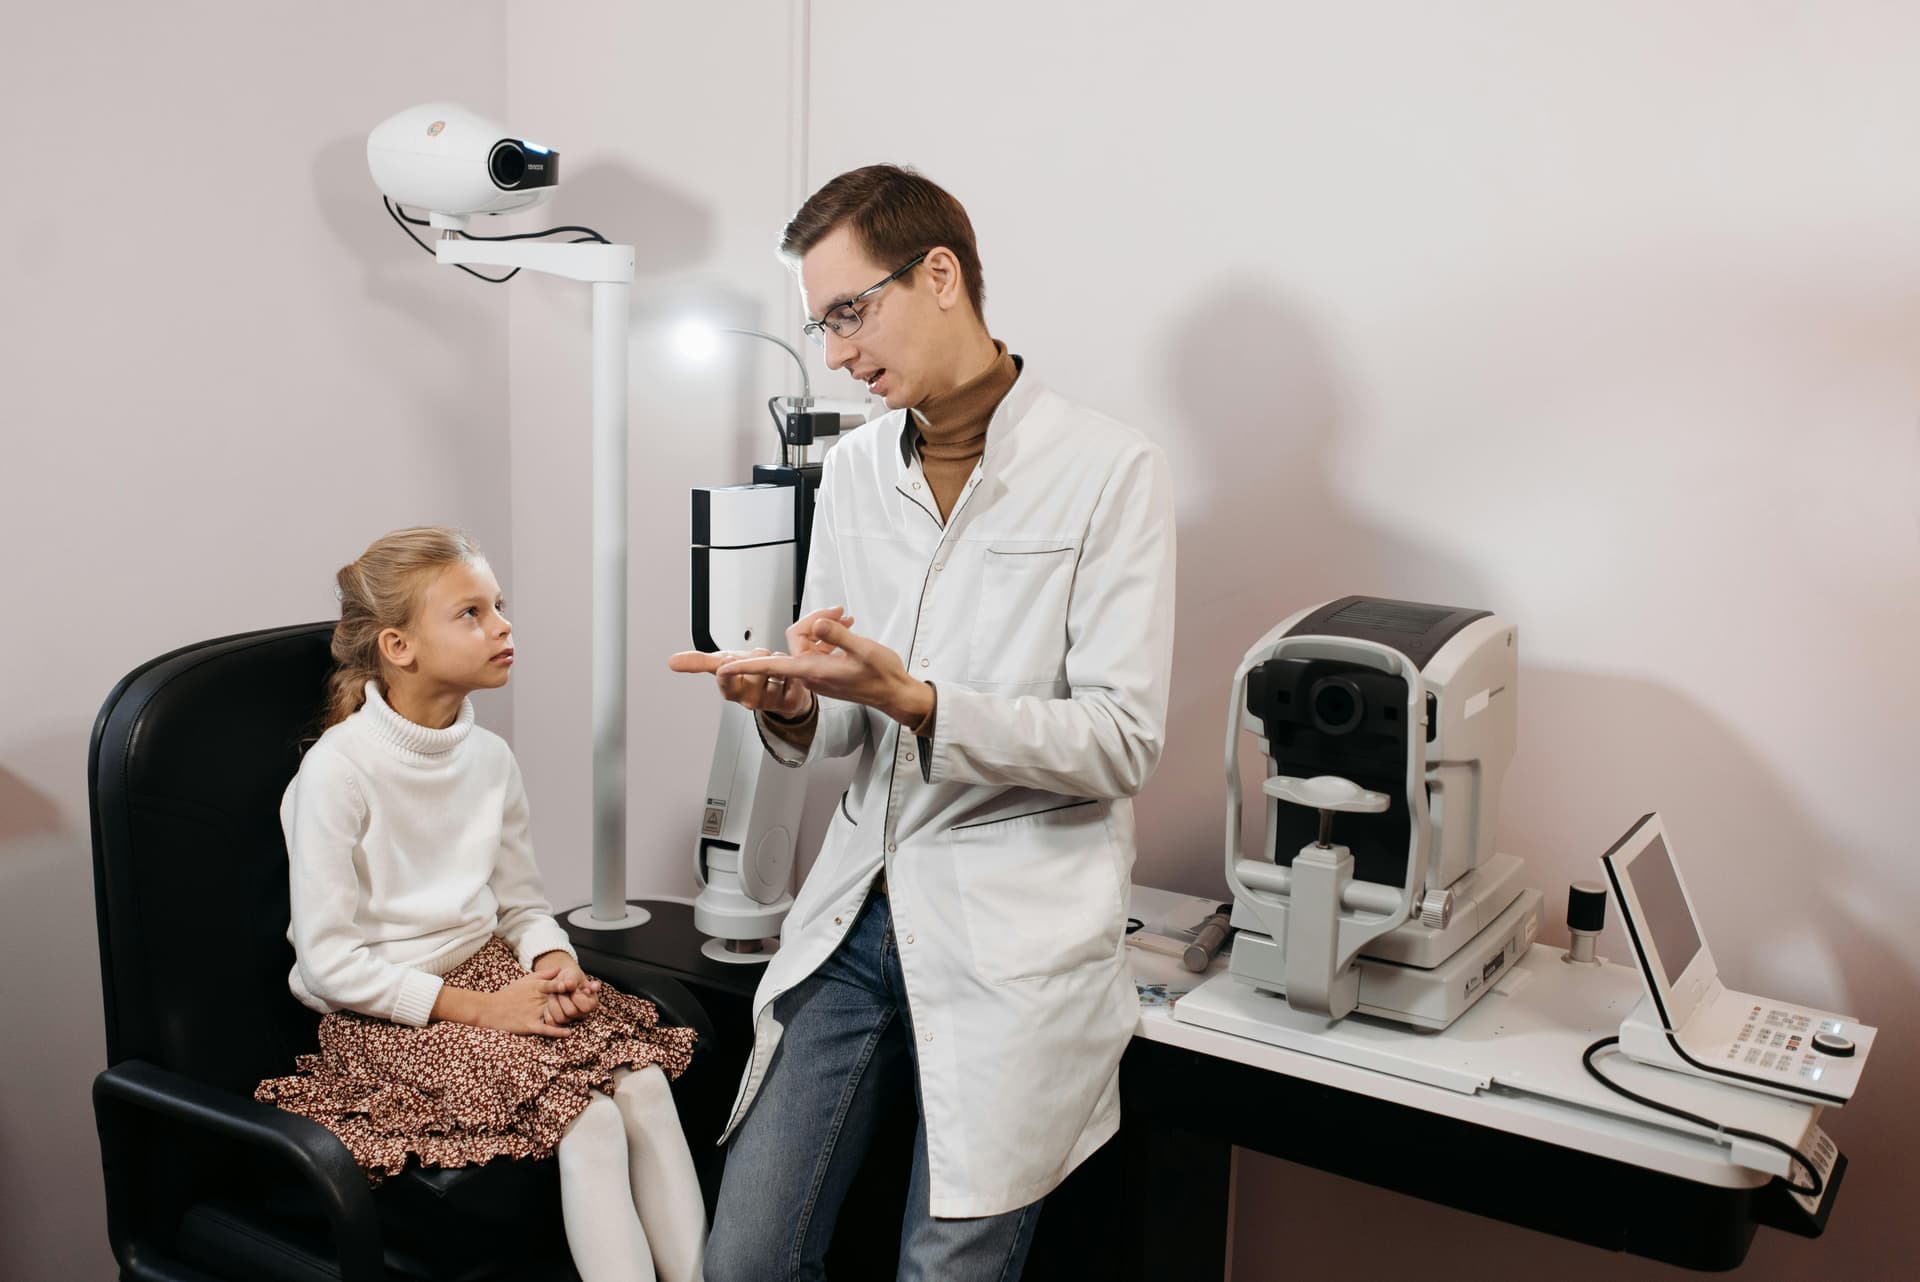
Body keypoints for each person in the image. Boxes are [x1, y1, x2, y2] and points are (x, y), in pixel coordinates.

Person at [672, 165, 1177, 1281]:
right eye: (822, 326)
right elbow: (852, 729)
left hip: (1011, 931)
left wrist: (923, 702)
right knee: (745, 1260)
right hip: (857, 912)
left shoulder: (1109, 473)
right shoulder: (853, 468)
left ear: (940, 274)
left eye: (850, 313)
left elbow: (1121, 740)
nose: (839, 353)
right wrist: (803, 703)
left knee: (945, 1269)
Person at [256, 526, 706, 1282]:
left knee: (646, 1085)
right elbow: (329, 964)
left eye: (499, 606)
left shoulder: (489, 759)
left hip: (493, 975)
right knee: (589, 1120)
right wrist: (483, 1009)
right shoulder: (337, 774)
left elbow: (521, 906)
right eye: (470, 613)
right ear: (399, 647)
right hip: (390, 1011)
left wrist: (554, 957)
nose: (501, 626)